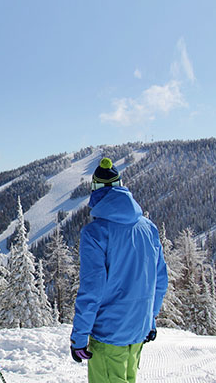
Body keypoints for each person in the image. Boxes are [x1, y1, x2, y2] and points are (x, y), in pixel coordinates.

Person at [70, 158, 168, 383]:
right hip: (138, 331)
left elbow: (92, 289)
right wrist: (150, 319)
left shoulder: (95, 233)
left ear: (94, 190)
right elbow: (160, 280)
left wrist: (80, 336)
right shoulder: (147, 227)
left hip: (109, 335)